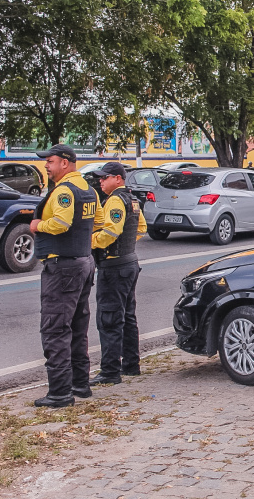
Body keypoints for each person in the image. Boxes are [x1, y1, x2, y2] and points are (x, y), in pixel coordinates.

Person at [30, 144, 101, 408]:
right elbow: (101, 223)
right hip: (82, 262)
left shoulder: (64, 191)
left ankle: (60, 393)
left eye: (50, 161)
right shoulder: (89, 190)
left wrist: (38, 225)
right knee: (77, 326)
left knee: (56, 328)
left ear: (66, 163)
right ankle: (80, 383)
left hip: (62, 267)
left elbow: (60, 223)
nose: (46, 166)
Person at [90, 162, 148, 386]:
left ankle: (110, 371)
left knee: (109, 320)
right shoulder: (132, 199)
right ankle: (131, 365)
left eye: (105, 178)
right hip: (129, 263)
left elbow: (111, 231)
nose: (101, 182)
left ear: (118, 179)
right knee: (128, 317)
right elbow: (141, 228)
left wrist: (93, 243)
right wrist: (125, 246)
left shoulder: (115, 200)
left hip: (114, 267)